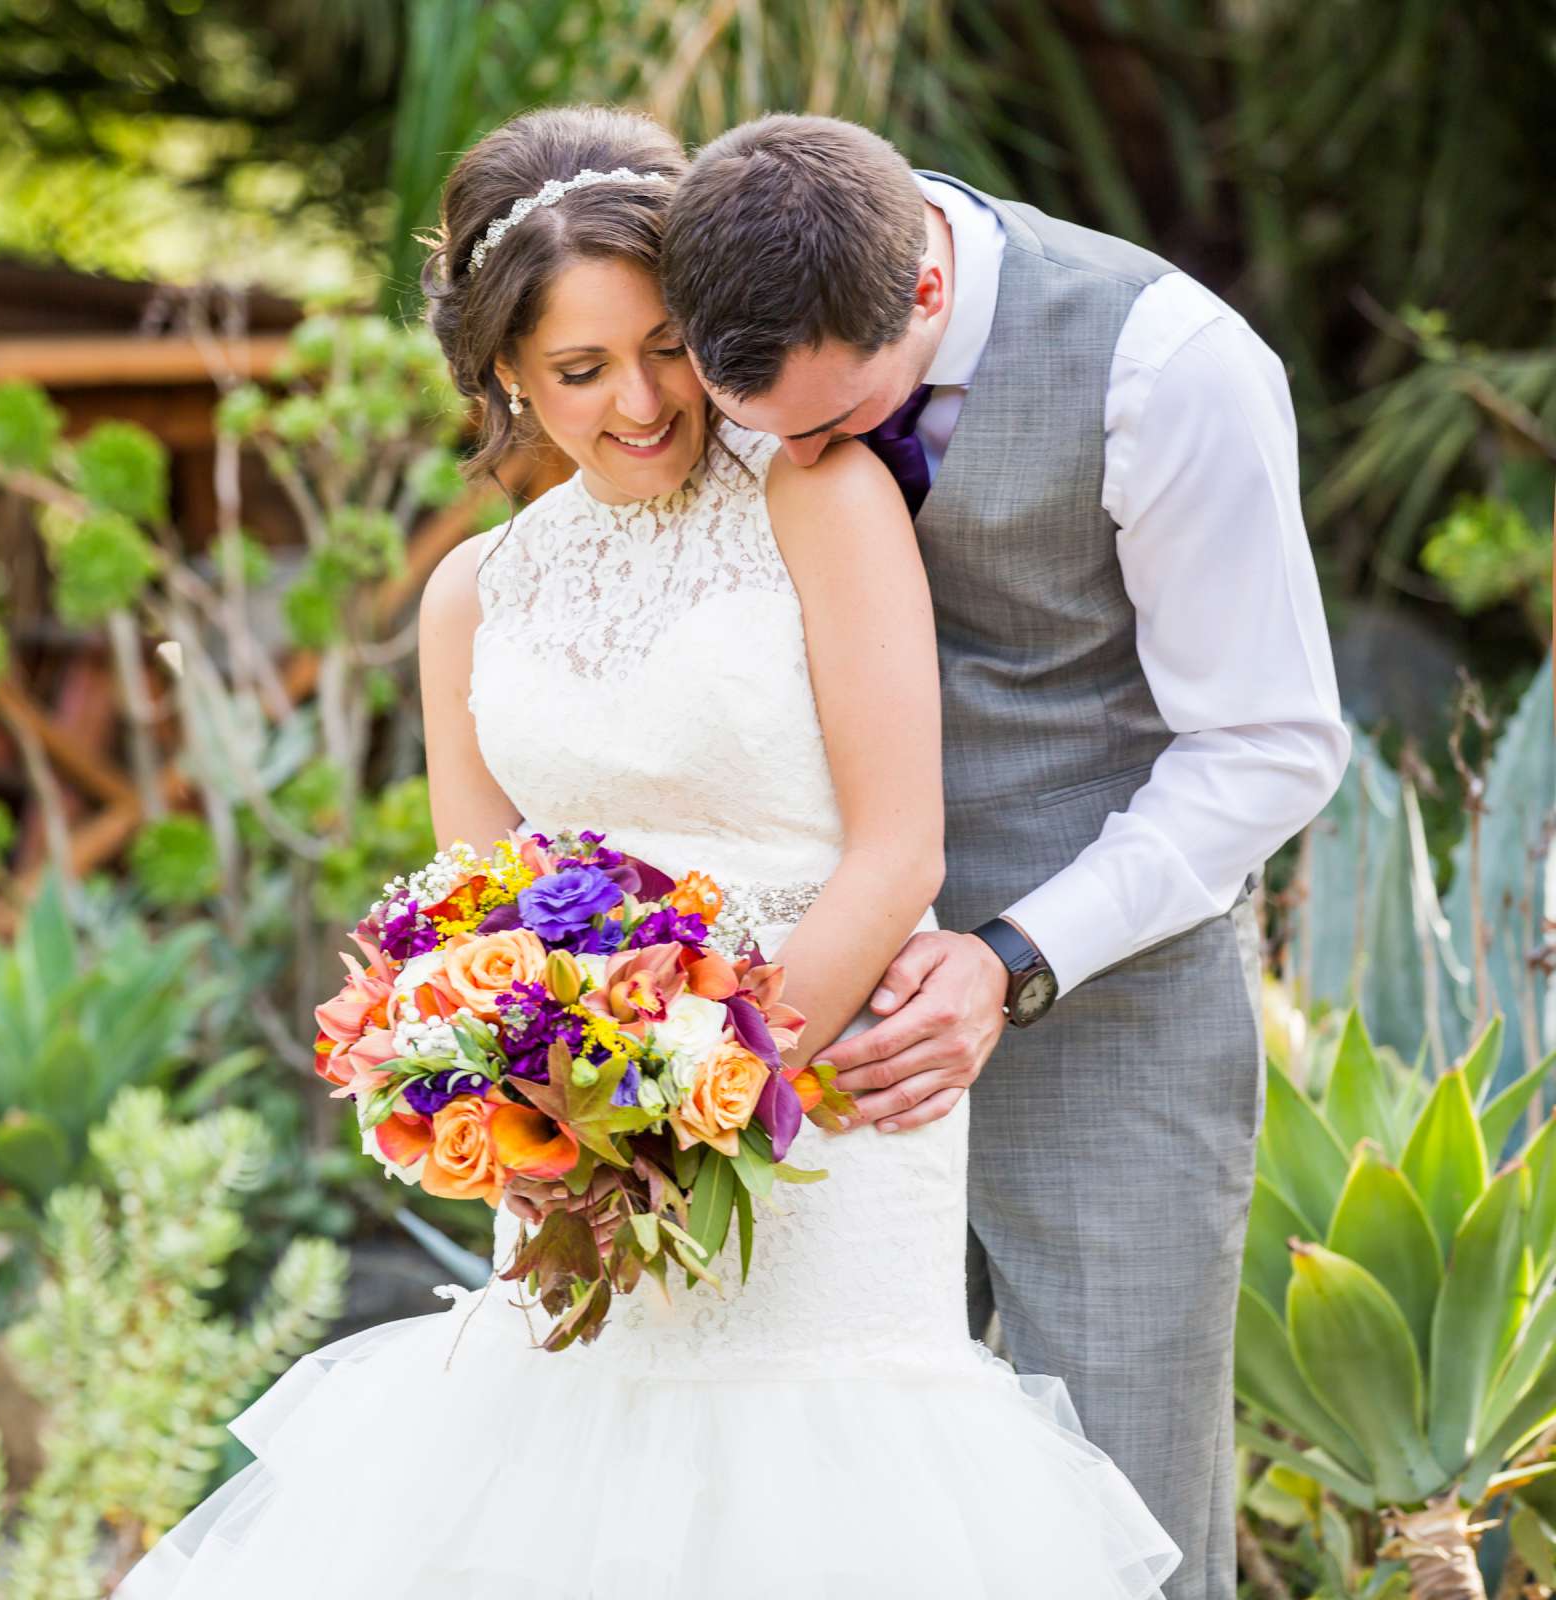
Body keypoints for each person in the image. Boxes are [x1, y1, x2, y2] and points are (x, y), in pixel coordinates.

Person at [117, 104, 1179, 1599]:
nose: (644, 401)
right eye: (581, 368)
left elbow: (897, 853)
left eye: (669, 344)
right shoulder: (470, 597)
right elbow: (470, 918)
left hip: (818, 1132)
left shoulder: (824, 496)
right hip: (580, 1167)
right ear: (502, 374)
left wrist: (707, 1099)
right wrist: (539, 1120)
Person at [657, 114, 1349, 1600]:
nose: (797, 462)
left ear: (919, 292)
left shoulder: (1168, 364)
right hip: (811, 1025)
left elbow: (1271, 745)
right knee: (817, 1514)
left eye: (838, 429)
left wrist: (1017, 958)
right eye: (759, 427)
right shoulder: (741, 328)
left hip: (1109, 1018)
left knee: (1123, 1523)